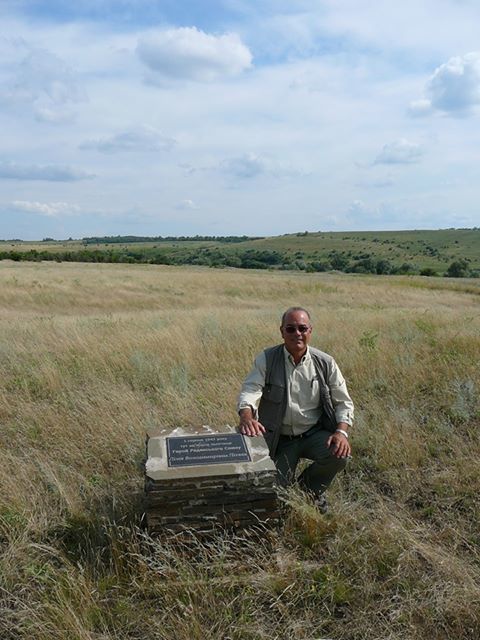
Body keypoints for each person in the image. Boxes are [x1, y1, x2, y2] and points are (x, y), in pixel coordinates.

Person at [237, 306, 354, 512]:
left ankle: (309, 490)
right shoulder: (267, 358)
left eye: (302, 328)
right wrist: (246, 415)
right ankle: (287, 488)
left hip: (314, 434)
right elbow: (251, 389)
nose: (297, 334)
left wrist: (341, 432)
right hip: (281, 439)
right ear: (281, 331)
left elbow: (343, 402)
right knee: (275, 497)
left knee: (339, 455)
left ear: (310, 331)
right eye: (290, 329)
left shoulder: (325, 362)